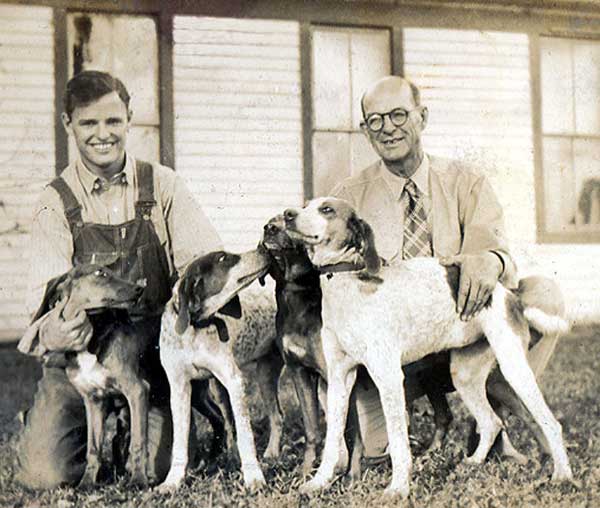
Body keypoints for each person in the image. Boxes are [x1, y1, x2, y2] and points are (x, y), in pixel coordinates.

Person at [15, 70, 223, 489]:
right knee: (43, 475)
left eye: (113, 121)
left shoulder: (163, 185)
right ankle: (49, 423)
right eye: (89, 123)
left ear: (130, 118)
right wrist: (61, 327)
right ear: (67, 124)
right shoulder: (54, 202)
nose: (102, 134)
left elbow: (201, 263)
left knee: (159, 471)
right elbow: (43, 304)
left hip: (149, 356)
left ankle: (141, 424)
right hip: (79, 359)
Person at [330, 75, 517, 458]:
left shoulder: (466, 181)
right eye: (375, 120)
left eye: (398, 114)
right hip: (393, 351)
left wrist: (489, 259)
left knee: (541, 295)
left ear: (422, 117)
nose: (388, 128)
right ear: (366, 131)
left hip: (459, 334)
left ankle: (493, 418)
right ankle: (406, 416)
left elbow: (498, 256)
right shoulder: (347, 200)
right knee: (374, 452)